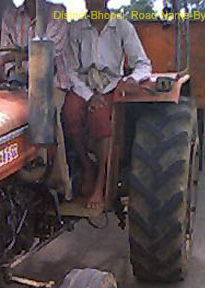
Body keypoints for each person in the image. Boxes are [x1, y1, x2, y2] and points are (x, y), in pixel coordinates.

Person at [64, 0, 152, 208]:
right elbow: (70, 70)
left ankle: (101, 182)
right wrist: (88, 95)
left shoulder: (122, 27)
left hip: (110, 84)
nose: (90, 2)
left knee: (100, 117)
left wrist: (132, 79)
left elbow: (143, 64)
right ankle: (87, 166)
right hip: (84, 85)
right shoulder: (77, 28)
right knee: (69, 114)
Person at [0, 0, 72, 199]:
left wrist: (12, 57)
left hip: (52, 82)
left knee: (47, 111)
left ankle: (58, 185)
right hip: (20, 84)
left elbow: (52, 50)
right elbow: (5, 53)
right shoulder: (10, 16)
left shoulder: (57, 12)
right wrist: (10, 64)